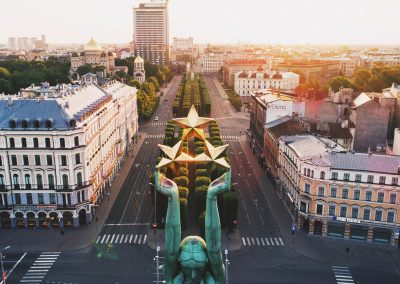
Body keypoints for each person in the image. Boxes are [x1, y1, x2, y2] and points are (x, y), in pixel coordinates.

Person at [155, 169, 231, 283]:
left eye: (197, 268)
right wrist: (211, 196)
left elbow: (171, 247)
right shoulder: (216, 280)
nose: (193, 274)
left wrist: (173, 197)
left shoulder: (173, 280)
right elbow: (214, 248)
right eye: (188, 268)